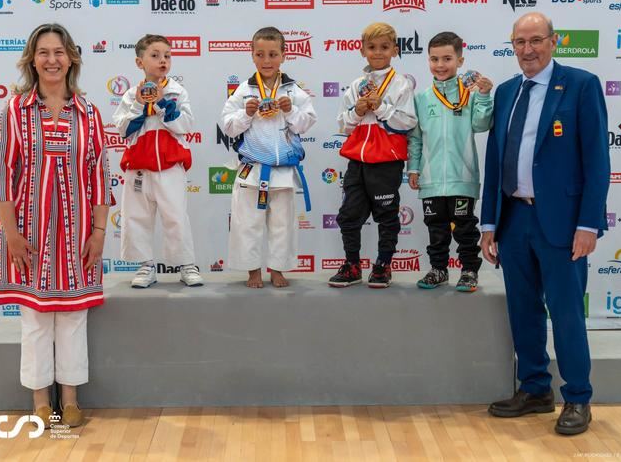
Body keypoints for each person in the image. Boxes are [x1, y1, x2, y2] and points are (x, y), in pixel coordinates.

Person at [480, 12, 610, 435]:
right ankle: (535, 389)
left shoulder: (581, 85)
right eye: (520, 42)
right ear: (512, 46)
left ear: (554, 42)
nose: (528, 50)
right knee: (522, 309)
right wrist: (488, 223)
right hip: (514, 219)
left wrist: (589, 223)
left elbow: (596, 159)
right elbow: (494, 162)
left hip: (563, 223)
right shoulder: (505, 93)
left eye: (536, 40)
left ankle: (577, 397)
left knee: (567, 313)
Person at [0, 23, 112, 428]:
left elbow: (98, 175)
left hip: (78, 232)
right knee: (37, 318)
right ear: (32, 60)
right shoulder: (14, 110)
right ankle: (41, 399)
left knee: (74, 314)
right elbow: (3, 177)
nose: (51, 60)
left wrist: (98, 232)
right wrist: (11, 234)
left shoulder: (89, 113)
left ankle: (72, 397)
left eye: (59, 52)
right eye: (43, 52)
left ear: (72, 58)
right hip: (29, 231)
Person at [220, 26, 317, 288]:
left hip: (283, 170)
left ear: (284, 55)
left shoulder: (293, 90)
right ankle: (252, 271)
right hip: (252, 169)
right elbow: (228, 126)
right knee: (246, 224)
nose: (266, 61)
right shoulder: (243, 90)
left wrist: (291, 110)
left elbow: (306, 123)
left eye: (273, 54)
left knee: (282, 225)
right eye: (260, 54)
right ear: (252, 55)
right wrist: (246, 114)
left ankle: (277, 269)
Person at [328, 22, 418, 288]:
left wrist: (382, 108)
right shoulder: (356, 85)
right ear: (362, 50)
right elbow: (342, 126)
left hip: (386, 162)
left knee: (387, 215)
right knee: (348, 215)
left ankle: (383, 266)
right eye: (372, 47)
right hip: (357, 161)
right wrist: (357, 111)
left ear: (395, 50)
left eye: (384, 47)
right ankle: (352, 265)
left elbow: (408, 123)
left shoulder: (401, 84)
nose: (378, 52)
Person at [113, 34, 203, 289]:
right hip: (138, 167)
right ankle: (145, 265)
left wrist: (162, 102)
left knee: (176, 216)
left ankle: (186, 264)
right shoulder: (132, 94)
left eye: (167, 55)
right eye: (155, 55)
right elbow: (123, 129)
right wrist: (140, 105)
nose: (162, 60)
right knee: (136, 216)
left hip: (170, 165)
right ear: (139, 62)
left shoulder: (176, 91)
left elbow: (185, 124)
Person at [407, 32, 494, 292]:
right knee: (436, 229)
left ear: (460, 60)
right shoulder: (422, 98)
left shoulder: (469, 93)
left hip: (462, 176)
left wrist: (484, 95)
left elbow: (481, 124)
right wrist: (413, 168)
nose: (440, 65)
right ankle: (438, 269)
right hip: (431, 179)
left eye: (447, 58)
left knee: (466, 229)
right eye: (434, 59)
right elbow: (416, 138)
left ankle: (469, 271)